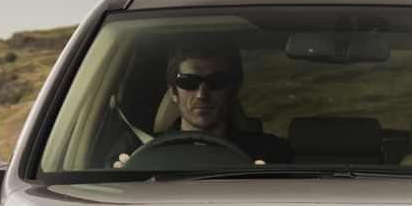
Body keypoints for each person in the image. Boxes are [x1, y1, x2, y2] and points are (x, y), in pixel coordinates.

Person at [114, 42, 291, 167]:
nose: (202, 94)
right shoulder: (134, 149)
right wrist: (125, 178)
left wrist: (264, 182)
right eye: (188, 81)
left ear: (234, 90)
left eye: (217, 81)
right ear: (173, 91)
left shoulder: (268, 152)